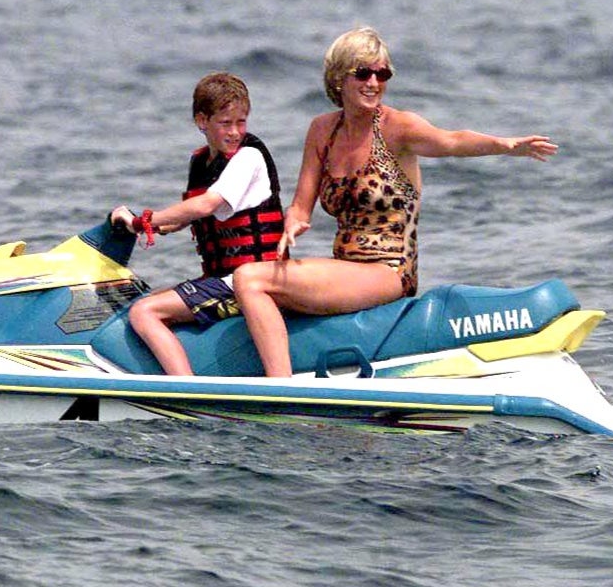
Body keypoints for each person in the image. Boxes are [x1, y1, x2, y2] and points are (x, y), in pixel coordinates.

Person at [232, 26, 559, 377]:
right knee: (253, 280)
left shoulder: (396, 128)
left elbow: (450, 141)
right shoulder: (322, 131)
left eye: (382, 73)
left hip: (388, 271)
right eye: (363, 73)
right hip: (345, 266)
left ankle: (282, 388)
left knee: (249, 278)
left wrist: (505, 145)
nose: (374, 82)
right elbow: (301, 203)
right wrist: (294, 222)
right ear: (339, 79)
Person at [110, 72, 284, 375]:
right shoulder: (202, 162)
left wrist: (142, 223)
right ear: (201, 120)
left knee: (144, 312)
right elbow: (193, 216)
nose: (234, 132)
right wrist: (157, 226)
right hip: (223, 279)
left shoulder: (249, 158)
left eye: (240, 122)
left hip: (249, 283)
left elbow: (207, 204)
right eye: (225, 123)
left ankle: (184, 389)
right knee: (139, 298)